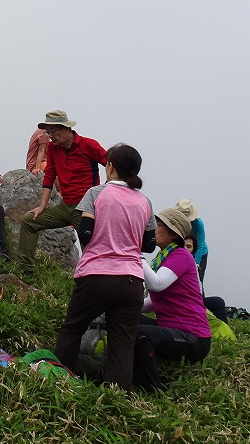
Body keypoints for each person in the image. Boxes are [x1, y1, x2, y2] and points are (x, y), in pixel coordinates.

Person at [52, 144, 155, 389]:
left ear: (110, 167)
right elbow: (150, 244)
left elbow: (86, 235)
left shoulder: (96, 193)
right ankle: (116, 396)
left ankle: (58, 385)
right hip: (131, 280)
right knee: (122, 343)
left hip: (96, 275)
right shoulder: (144, 201)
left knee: (73, 329)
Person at [17, 110, 107, 274]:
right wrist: (42, 206)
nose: (51, 136)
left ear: (66, 129)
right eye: (48, 132)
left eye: (53, 131)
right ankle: (26, 271)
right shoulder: (53, 148)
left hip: (86, 209)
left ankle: (92, 279)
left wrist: (107, 190)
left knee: (90, 247)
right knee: (29, 221)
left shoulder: (88, 145)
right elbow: (49, 175)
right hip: (65, 206)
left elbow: (110, 163)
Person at [137, 208, 212, 391]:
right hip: (172, 329)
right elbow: (153, 302)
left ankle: (152, 388)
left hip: (193, 338)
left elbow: (157, 284)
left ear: (172, 233)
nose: (153, 229)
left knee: (139, 334)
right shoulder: (163, 258)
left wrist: (136, 256)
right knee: (126, 318)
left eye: (158, 225)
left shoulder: (181, 256)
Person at [175, 199, 209, 282]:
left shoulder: (198, 223)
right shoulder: (176, 223)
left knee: (197, 280)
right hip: (183, 251)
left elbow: (200, 245)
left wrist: (196, 263)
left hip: (199, 253)